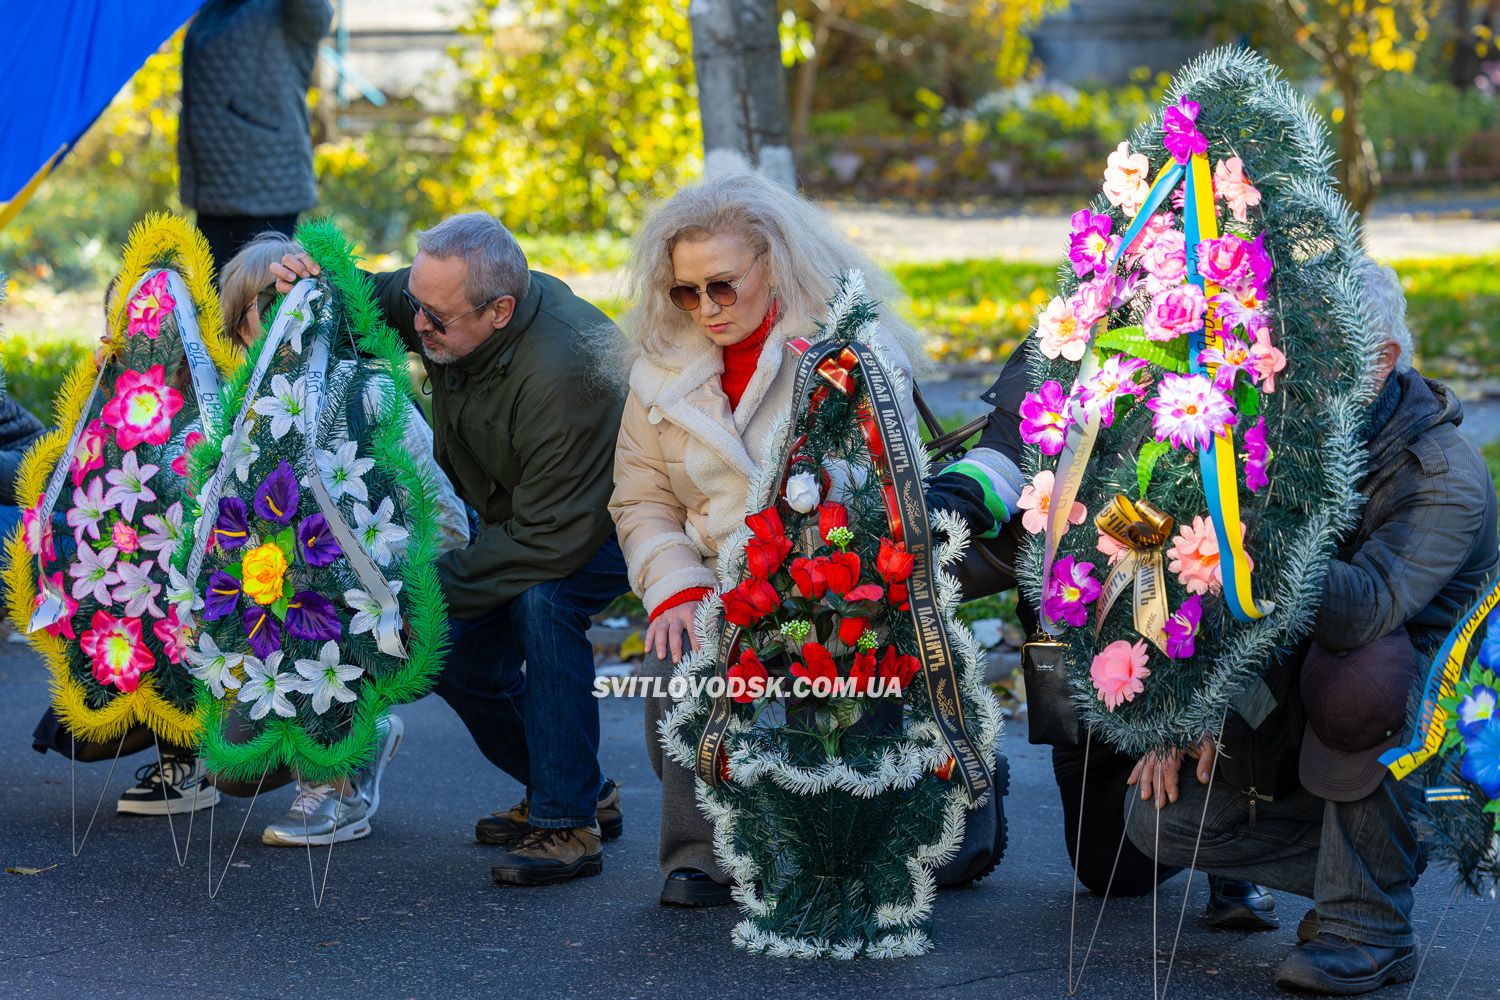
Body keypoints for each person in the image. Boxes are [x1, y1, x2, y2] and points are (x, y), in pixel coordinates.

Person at [1121, 258, 1499, 995]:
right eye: (1282, 342)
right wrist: (1190, 708)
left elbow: (1361, 609)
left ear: (1381, 357)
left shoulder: (1441, 471)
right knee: (1157, 823)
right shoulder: (1295, 432)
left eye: (1314, 348)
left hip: (1423, 720)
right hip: (1306, 699)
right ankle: (1349, 876)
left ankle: (1370, 925)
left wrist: (1236, 534)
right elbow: (1200, 579)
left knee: (1367, 673)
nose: (1283, 366)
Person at [608, 155, 931, 907]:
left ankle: (864, 838)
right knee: (677, 655)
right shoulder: (659, 368)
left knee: (839, 667)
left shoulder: (849, 345)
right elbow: (643, 498)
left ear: (776, 266)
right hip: (718, 577)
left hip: (837, 573)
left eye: (723, 284)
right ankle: (703, 852)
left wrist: (807, 581)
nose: (706, 306)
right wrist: (676, 587)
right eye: (684, 290)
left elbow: (893, 483)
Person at [271, 213, 629, 885]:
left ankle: (567, 826)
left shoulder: (560, 370)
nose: (418, 327)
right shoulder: (446, 297)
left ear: (500, 311)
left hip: (610, 519)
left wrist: (422, 596)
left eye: (436, 319)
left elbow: (551, 539)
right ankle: (583, 789)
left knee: (542, 607)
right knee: (456, 654)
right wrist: (303, 279)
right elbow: (375, 295)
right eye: (419, 307)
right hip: (520, 514)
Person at [926, 339, 1280, 929]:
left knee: (1231, 693)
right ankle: (1141, 774)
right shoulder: (1074, 320)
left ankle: (1233, 843)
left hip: (1199, 607)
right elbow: (1006, 453)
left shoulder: (1228, 322)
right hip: (1086, 631)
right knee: (1109, 872)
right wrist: (949, 499)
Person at [215, 233, 470, 846]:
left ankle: (338, 792)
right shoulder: (239, 408)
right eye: (263, 311)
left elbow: (445, 516)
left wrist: (402, 593)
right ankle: (367, 735)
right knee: (233, 767)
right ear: (239, 330)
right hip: (273, 601)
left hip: (372, 601)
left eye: (295, 303)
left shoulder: (369, 392)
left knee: (315, 596)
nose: (281, 324)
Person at [180, 0, 332, 269]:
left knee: (261, 299)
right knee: (213, 301)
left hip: (268, 187)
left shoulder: (285, 12)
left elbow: (315, 12)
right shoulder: (214, 8)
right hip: (212, 186)